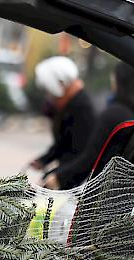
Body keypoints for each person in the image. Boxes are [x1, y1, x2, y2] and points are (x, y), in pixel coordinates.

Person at [43, 62, 134, 189]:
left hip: (102, 192)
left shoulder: (113, 114)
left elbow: (90, 158)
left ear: (120, 80)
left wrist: (59, 177)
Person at [30, 56, 96, 190]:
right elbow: (63, 143)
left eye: (49, 92)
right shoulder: (73, 105)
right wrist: (44, 159)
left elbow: (83, 154)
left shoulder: (82, 109)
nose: (49, 98)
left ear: (60, 85)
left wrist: (60, 177)